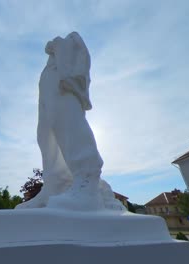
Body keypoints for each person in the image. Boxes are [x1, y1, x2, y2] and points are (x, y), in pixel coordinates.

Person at [16, 32, 124, 211]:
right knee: (46, 133)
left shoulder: (71, 42)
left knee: (65, 118)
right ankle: (56, 184)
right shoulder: (54, 57)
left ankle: (87, 180)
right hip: (50, 72)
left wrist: (63, 54)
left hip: (63, 72)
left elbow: (79, 51)